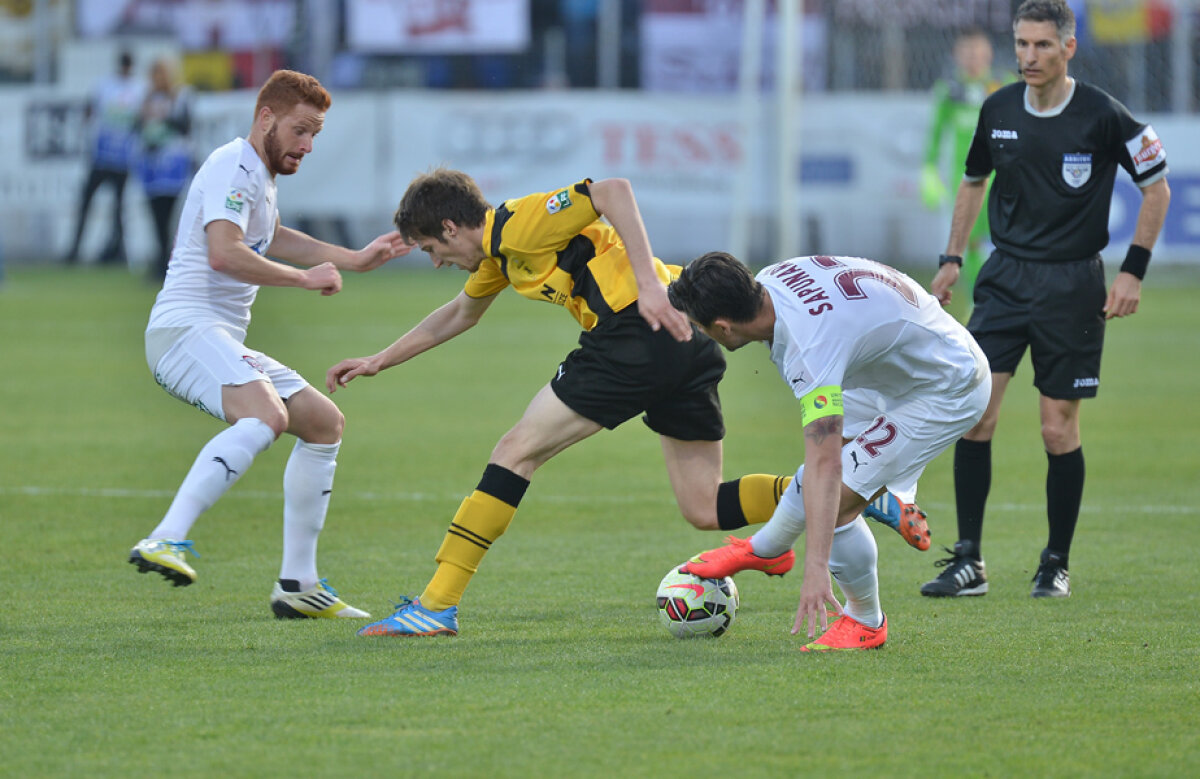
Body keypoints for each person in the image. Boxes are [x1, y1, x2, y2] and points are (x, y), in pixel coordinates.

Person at [327, 169, 797, 638]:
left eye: (433, 249)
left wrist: (647, 286)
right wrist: (379, 360)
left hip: (636, 328)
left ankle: (436, 604)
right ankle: (832, 486)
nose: (436, 261)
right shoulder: (500, 258)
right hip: (685, 337)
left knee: (515, 452)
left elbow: (613, 190)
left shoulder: (519, 223)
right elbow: (458, 313)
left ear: (450, 227)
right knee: (704, 506)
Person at [130, 70, 410, 619]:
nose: (307, 145)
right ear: (266, 119)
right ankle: (165, 537)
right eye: (301, 130)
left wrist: (354, 257)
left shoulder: (257, 176)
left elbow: (272, 236)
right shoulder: (233, 164)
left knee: (323, 423)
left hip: (214, 337)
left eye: (316, 135)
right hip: (184, 332)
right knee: (264, 416)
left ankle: (297, 585)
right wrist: (304, 280)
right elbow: (225, 253)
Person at [925, 0, 1170, 599]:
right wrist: (952, 260)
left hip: (1072, 285)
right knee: (975, 414)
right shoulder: (997, 108)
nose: (1028, 57)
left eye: (1041, 45)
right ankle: (969, 562)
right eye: (1022, 44)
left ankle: (1055, 561)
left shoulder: (1104, 116)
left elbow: (1156, 188)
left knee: (1057, 429)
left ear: (1069, 48)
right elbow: (972, 181)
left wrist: (1131, 273)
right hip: (1005, 279)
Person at [671, 252, 990, 651]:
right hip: (888, 368)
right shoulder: (772, 279)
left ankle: (866, 620)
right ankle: (769, 549)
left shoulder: (811, 347)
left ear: (722, 326)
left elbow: (824, 465)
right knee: (830, 479)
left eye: (700, 327)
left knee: (835, 500)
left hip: (945, 387)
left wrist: (816, 568)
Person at [922, 27, 1016, 306]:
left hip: (1004, 177)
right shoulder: (949, 90)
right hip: (964, 179)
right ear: (956, 55)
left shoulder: (1004, 84)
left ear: (988, 53)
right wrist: (928, 170)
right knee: (968, 244)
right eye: (967, 52)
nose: (973, 58)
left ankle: (1011, 300)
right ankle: (981, 302)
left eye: (977, 51)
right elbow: (935, 135)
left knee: (1010, 241)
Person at [65, 50, 144, 265]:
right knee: (88, 203)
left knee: (118, 208)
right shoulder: (108, 86)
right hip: (102, 156)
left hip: (121, 158)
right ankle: (75, 249)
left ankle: (118, 250)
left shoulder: (134, 88)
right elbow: (89, 110)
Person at [137, 57, 194, 282]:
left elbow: (186, 125)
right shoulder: (147, 98)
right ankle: (161, 261)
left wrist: (165, 120)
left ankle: (168, 263)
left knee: (169, 215)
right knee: (155, 215)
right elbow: (139, 125)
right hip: (152, 164)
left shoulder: (180, 96)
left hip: (173, 163)